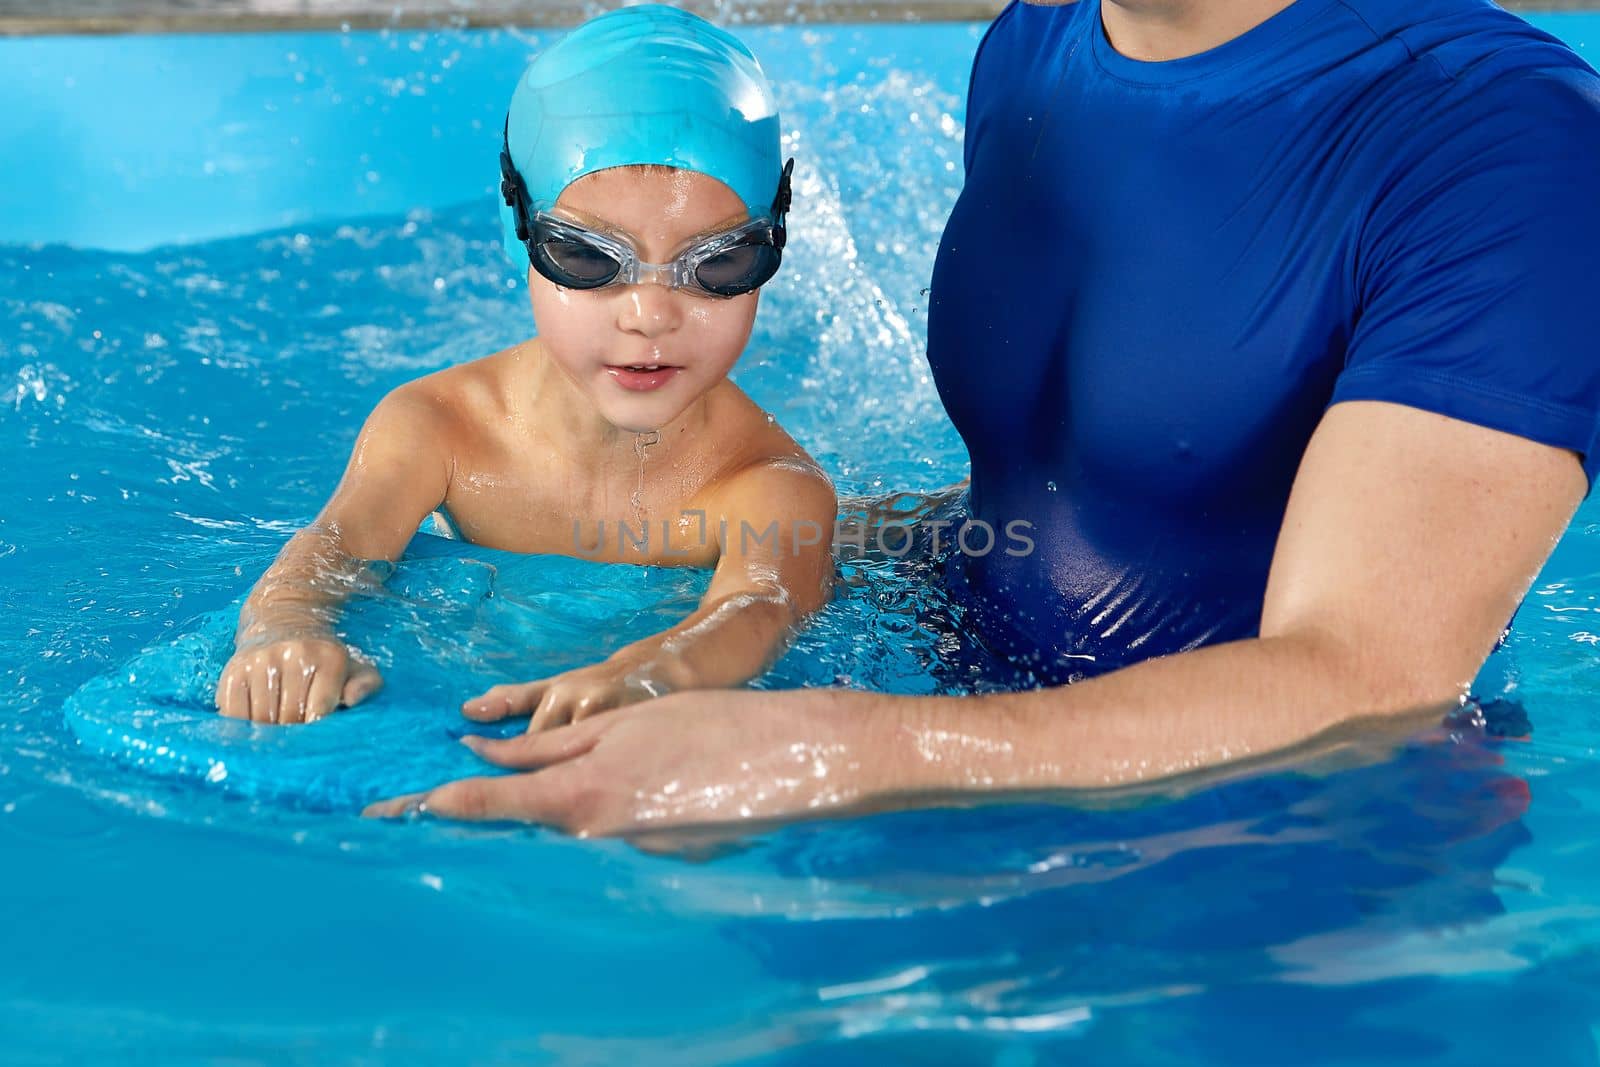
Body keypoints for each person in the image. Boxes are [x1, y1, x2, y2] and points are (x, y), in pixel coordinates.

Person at [367, 0, 1600, 835]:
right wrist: (754, 559)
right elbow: (1067, 492)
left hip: (1292, 850)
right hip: (963, 746)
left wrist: (833, 750)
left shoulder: (1498, 136)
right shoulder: (1039, 42)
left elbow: (1370, 676)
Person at [215, 5, 835, 729]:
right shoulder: (441, 428)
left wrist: (663, 670)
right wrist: (285, 631)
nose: (650, 314)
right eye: (588, 257)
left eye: (721, 262)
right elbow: (333, 552)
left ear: (774, 245)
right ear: (520, 232)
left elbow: (760, 604)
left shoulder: (770, 488)